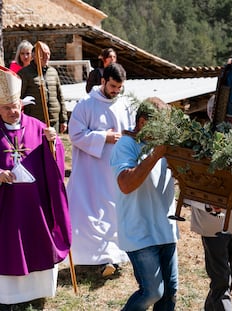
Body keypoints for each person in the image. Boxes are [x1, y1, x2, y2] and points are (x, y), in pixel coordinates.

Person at [0, 66, 71, 308]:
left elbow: (56, 164)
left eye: (16, 106)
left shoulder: (38, 127)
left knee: (37, 243)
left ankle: (36, 293)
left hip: (35, 205)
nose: (13, 112)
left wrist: (55, 143)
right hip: (6, 208)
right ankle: (7, 297)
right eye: (7, 108)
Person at [110, 98, 179, 310]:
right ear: (142, 122)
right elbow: (126, 184)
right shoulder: (126, 145)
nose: (164, 132)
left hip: (166, 229)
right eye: (160, 126)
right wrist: (156, 154)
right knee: (152, 292)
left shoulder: (167, 146)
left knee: (169, 294)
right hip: (139, 232)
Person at [67, 63, 134, 277]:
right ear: (103, 81)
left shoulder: (124, 104)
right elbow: (75, 134)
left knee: (116, 214)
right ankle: (94, 259)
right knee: (93, 215)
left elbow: (132, 131)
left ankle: (115, 256)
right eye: (113, 86)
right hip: (92, 174)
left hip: (116, 171)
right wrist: (103, 137)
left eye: (119, 87)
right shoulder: (86, 104)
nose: (116, 91)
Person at [18, 41, 68, 134]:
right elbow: (18, 98)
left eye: (48, 53)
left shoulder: (53, 72)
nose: (46, 57)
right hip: (34, 121)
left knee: (53, 147)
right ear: (34, 56)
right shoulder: (24, 74)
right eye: (42, 54)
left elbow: (59, 96)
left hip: (53, 121)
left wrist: (63, 120)